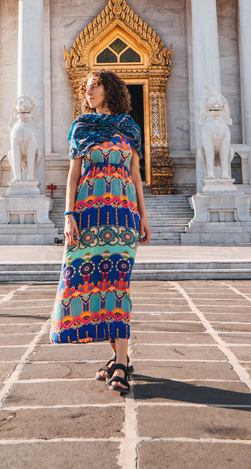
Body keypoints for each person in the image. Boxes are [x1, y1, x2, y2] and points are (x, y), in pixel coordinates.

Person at [50, 68, 151, 395]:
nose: (88, 92)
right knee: (92, 284)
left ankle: (121, 364)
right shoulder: (81, 128)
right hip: (88, 215)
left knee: (117, 284)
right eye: (86, 87)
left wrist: (144, 218)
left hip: (122, 216)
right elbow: (72, 177)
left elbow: (135, 176)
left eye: (95, 86)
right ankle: (118, 356)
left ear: (110, 90)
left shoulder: (128, 129)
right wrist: (68, 216)